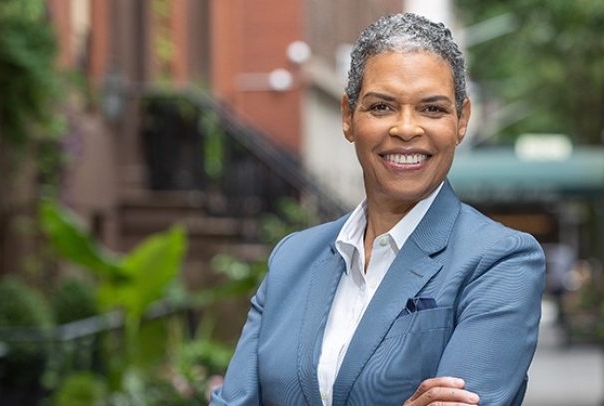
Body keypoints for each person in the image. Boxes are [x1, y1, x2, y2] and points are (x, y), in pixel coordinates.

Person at [210, 12, 545, 406]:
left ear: (462, 120)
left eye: (432, 109)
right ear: (348, 117)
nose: (406, 128)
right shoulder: (292, 259)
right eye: (382, 107)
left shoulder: (500, 261)